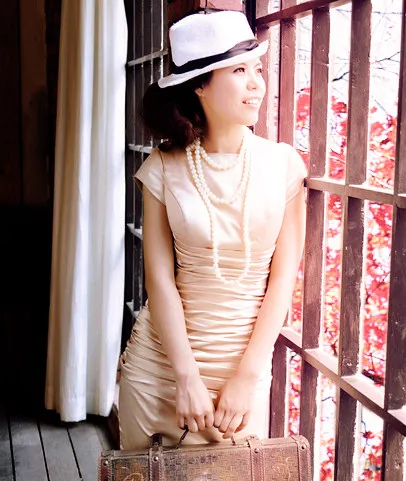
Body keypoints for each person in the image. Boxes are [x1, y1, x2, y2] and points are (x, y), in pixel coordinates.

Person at [117, 9, 307, 450]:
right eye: (239, 71)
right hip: (162, 373)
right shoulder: (163, 167)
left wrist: (247, 376)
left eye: (257, 69)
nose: (256, 83)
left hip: (241, 384)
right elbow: (159, 280)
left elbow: (283, 279)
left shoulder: (283, 165)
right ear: (199, 85)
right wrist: (185, 377)